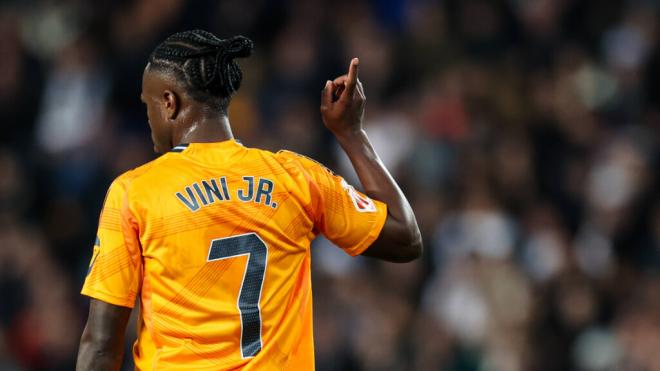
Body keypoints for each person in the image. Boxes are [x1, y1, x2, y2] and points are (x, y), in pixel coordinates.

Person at [76, 29, 421, 371]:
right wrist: (351, 134)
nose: (148, 118)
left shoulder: (136, 191)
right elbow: (405, 237)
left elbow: (102, 345)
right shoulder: (294, 177)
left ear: (169, 103)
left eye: (148, 105)